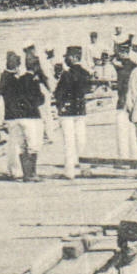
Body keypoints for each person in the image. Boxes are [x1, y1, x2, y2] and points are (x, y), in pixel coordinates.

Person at [0, 51, 46, 181]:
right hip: (30, 116)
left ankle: (25, 174)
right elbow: (39, 100)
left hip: (13, 117)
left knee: (20, 146)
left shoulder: (9, 78)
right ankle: (32, 174)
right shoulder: (29, 80)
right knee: (33, 145)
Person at [54, 45, 94, 179]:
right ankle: (85, 169)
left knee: (69, 142)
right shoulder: (85, 73)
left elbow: (58, 93)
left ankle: (69, 171)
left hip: (67, 112)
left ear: (73, 57)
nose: (66, 59)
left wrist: (59, 105)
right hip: (80, 110)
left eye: (67, 57)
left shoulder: (67, 74)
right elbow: (89, 89)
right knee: (82, 140)